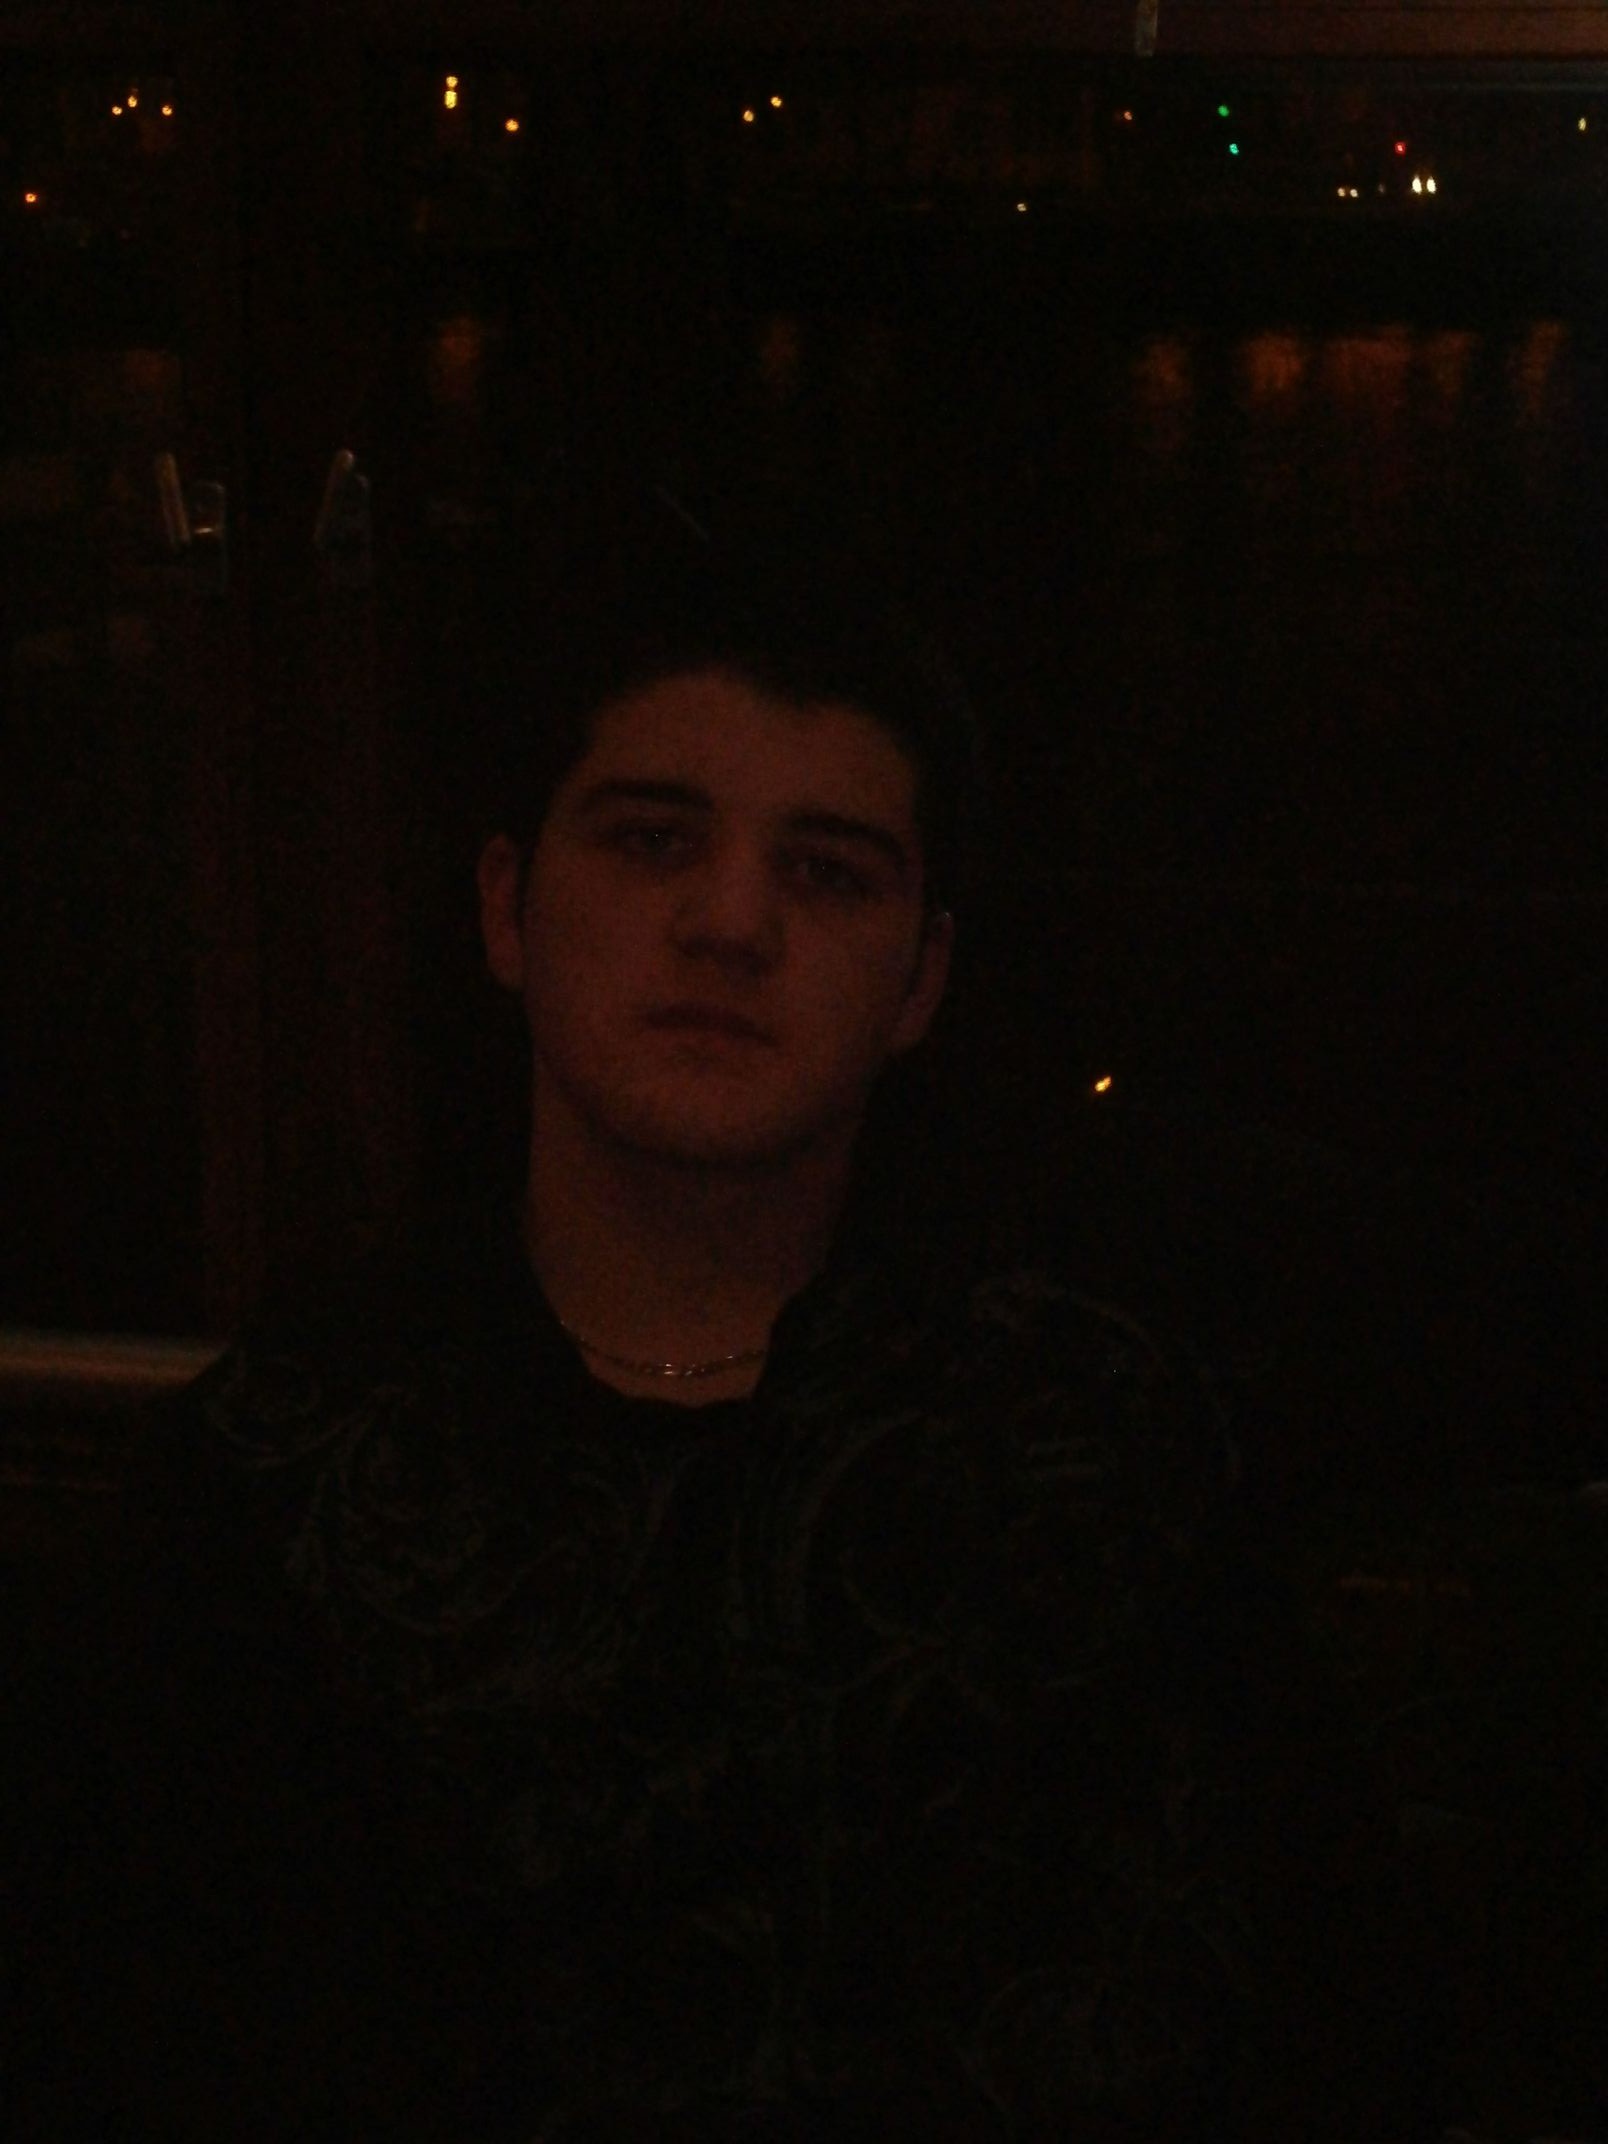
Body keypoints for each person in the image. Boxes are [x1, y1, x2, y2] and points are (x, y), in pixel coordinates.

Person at [3, 491, 1416, 2140]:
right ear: (508, 909)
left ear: (920, 979)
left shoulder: (1094, 1466)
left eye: (826, 873)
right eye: (653, 840)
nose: (733, 925)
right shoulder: (273, 1487)